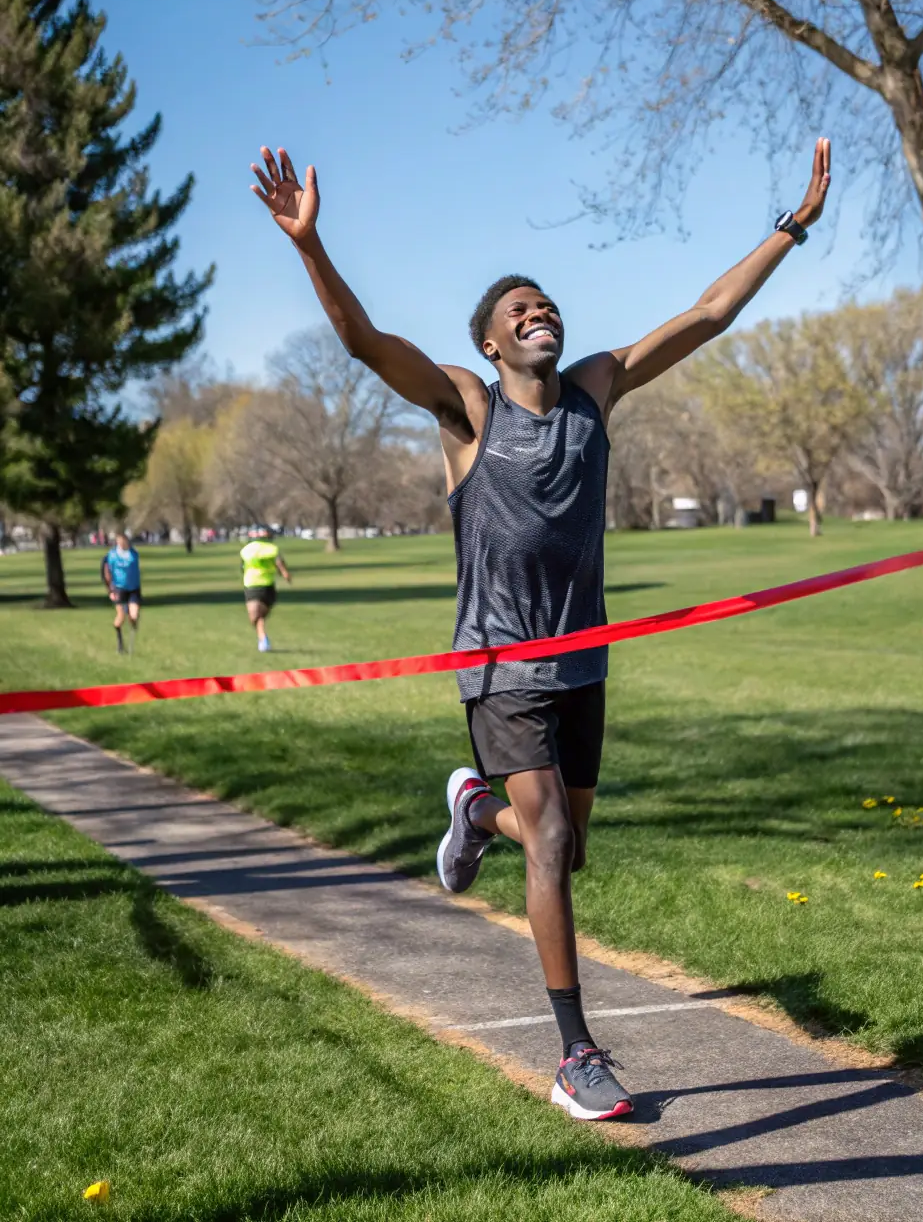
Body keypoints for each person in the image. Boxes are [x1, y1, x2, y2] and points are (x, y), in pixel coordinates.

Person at [250, 137, 832, 1120]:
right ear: (489, 343)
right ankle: (575, 1056)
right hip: (498, 660)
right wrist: (311, 247)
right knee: (553, 840)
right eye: (519, 313)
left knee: (564, 847)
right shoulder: (468, 409)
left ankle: (475, 812)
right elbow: (363, 344)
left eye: (546, 306)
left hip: (583, 660)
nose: (539, 315)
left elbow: (705, 315)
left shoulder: (596, 391)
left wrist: (788, 229)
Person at [240, 526, 291, 652]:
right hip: (267, 586)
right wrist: (285, 574)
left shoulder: (246, 550)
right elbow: (280, 563)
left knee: (256, 617)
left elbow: (242, 567)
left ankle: (263, 639)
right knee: (259, 617)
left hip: (253, 585)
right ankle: (263, 639)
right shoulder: (273, 549)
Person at [102, 532, 142, 655]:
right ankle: (120, 644)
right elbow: (106, 572)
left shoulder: (134, 553)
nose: (122, 543)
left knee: (134, 616)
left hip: (134, 588)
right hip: (119, 588)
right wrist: (110, 590)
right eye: (120, 541)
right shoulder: (112, 555)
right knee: (121, 617)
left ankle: (133, 623)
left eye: (124, 540)